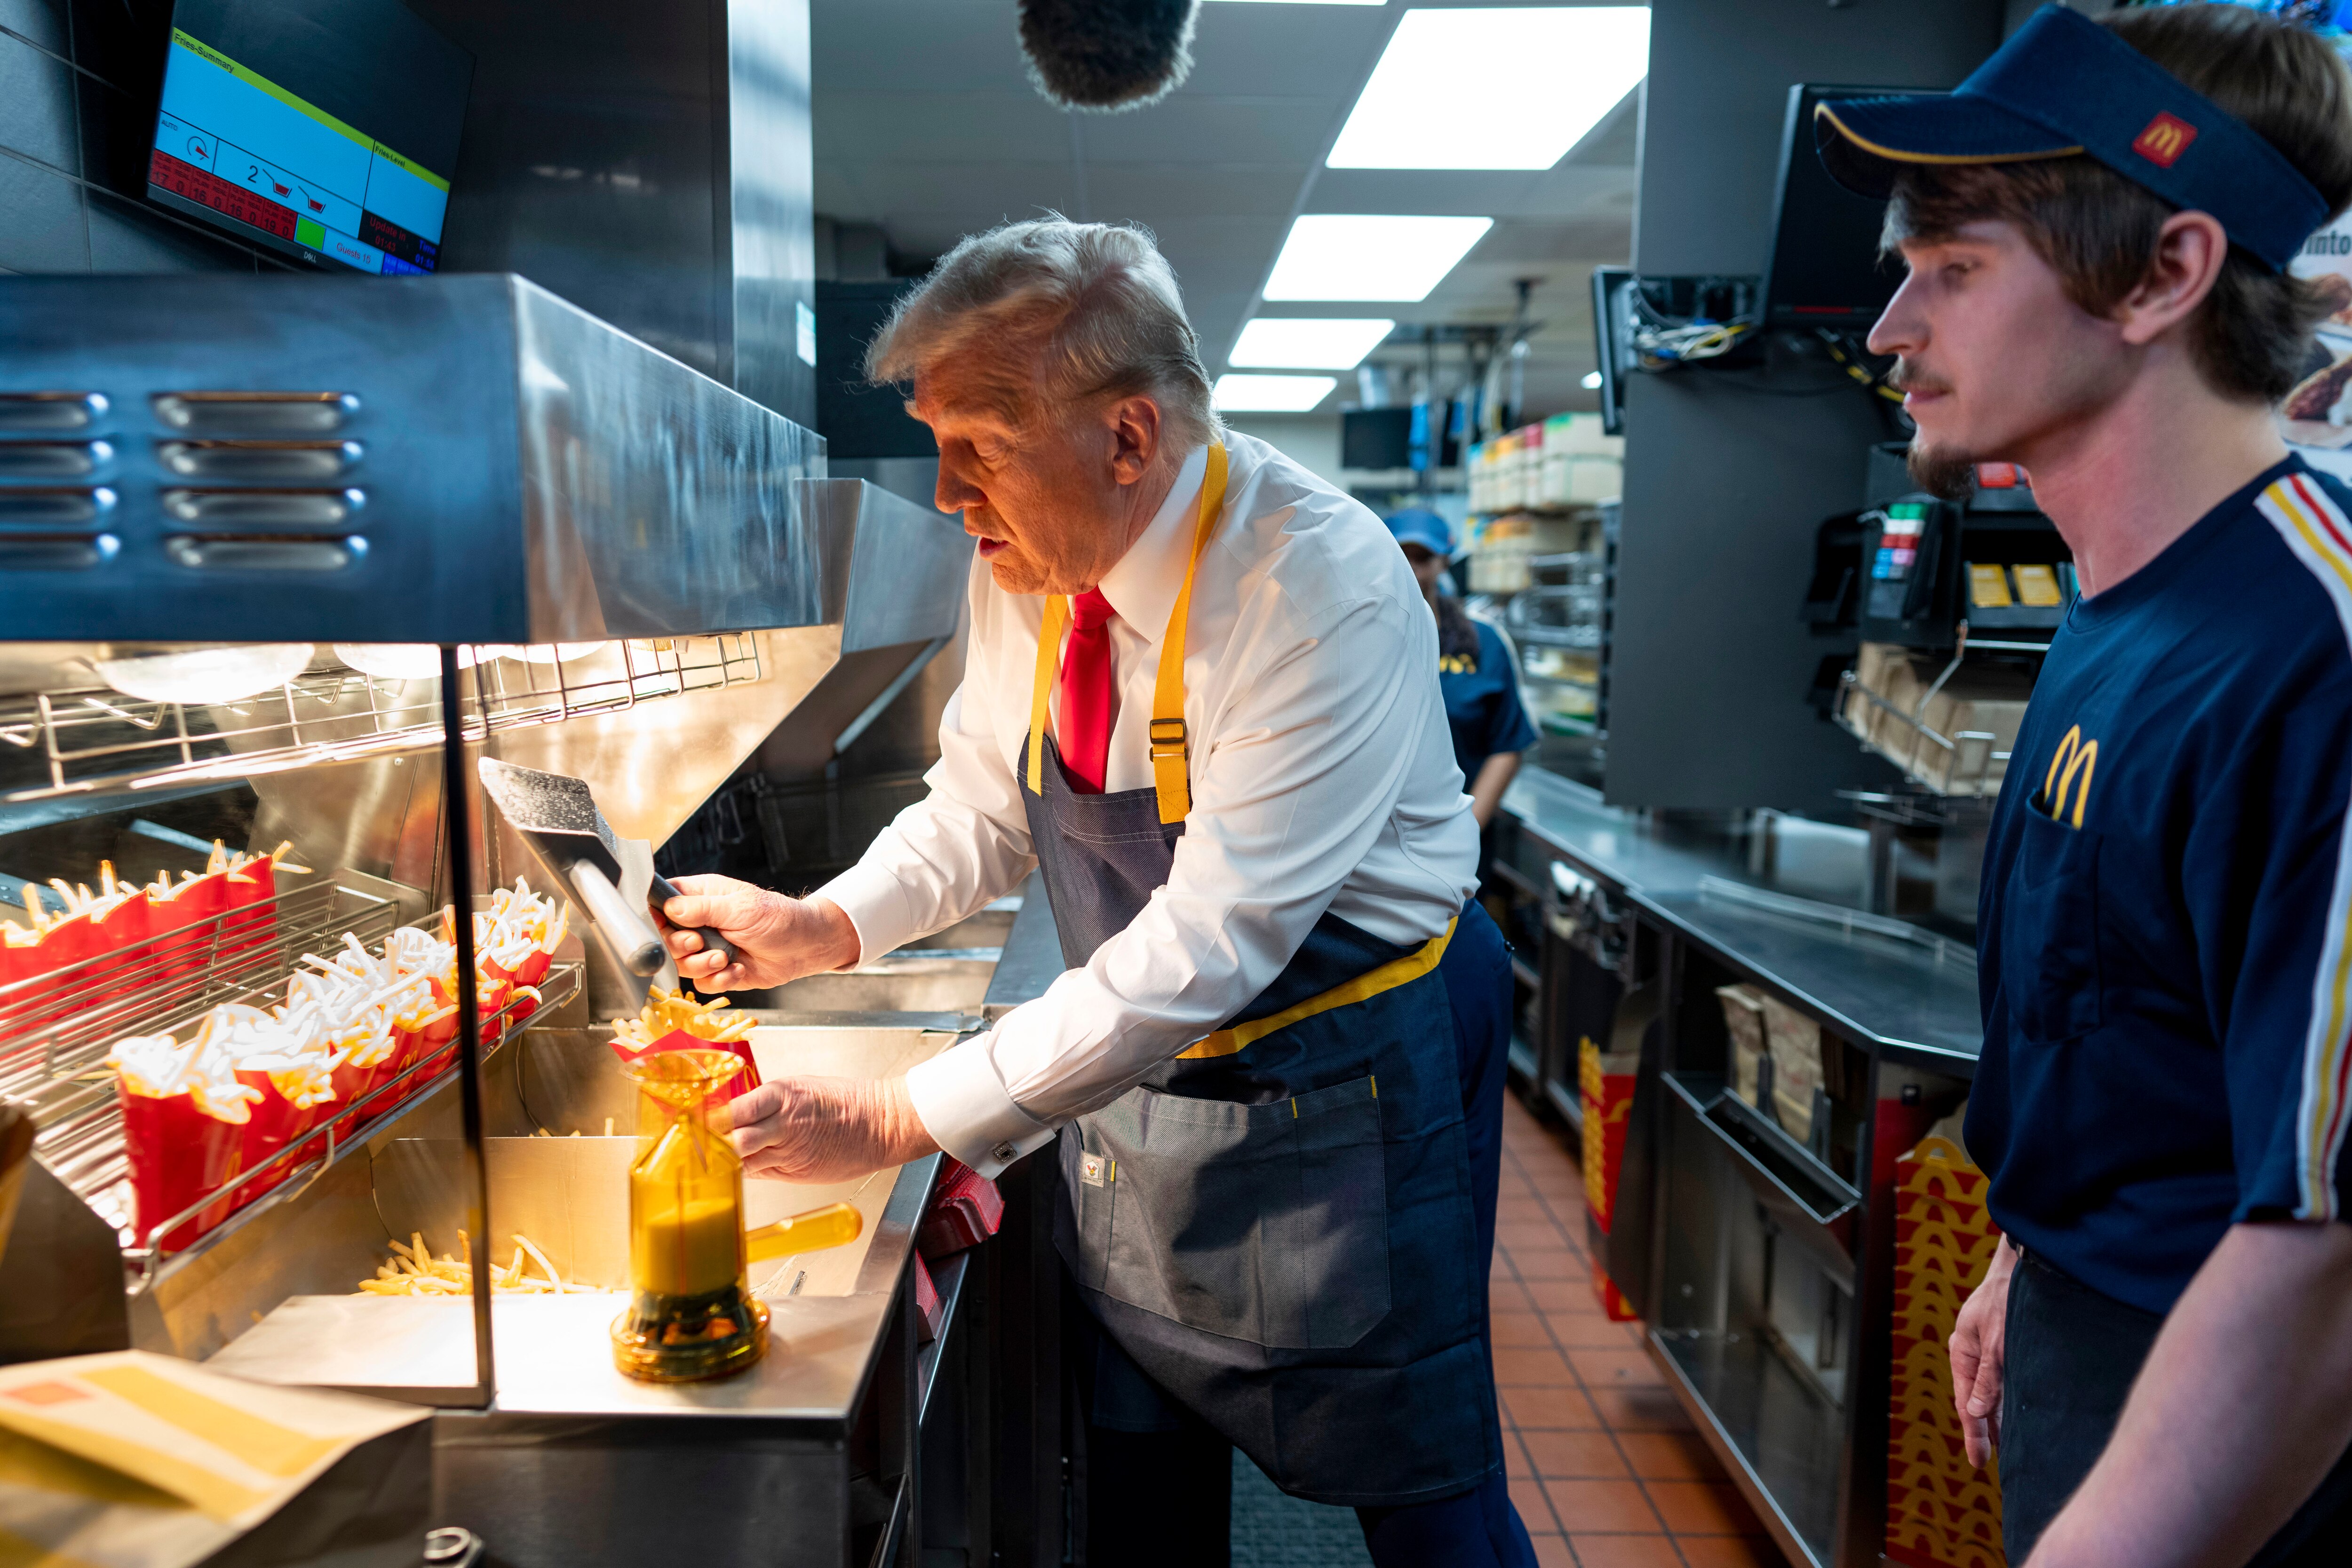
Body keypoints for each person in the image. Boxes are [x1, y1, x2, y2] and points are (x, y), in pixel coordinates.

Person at [656, 220, 1536, 1568]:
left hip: (1357, 1056)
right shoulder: (1031, 558)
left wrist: (903, 1112)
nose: (950, 495)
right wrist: (825, 922)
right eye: (938, 441)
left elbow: (1212, 938)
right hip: (1142, 1065)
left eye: (982, 446)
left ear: (1128, 437)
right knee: (1137, 1457)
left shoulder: (1320, 580)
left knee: (1418, 1475)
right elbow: (982, 804)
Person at [1816, 6, 2352, 1565]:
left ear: (2168, 272)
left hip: (2255, 1418)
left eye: (1956, 270)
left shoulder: (2311, 660)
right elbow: (2118, 1013)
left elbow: (2325, 1258)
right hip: (2089, 1328)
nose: (1891, 329)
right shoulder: (2116, 607)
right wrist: (2023, 1257)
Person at [1387, 508, 1538, 840]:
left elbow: (1507, 746)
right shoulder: (1364, 639)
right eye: (1401, 556)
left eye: (1423, 557)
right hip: (1373, 842)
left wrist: (1464, 834)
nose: (1412, 568)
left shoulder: (1484, 643)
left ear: (1444, 561)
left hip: (1457, 838)